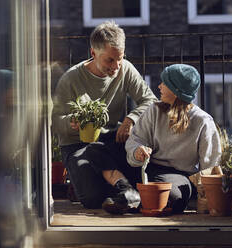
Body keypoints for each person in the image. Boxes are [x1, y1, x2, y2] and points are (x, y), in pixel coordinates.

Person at [52, 21, 157, 214]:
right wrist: (72, 122)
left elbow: (150, 100)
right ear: (93, 53)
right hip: (77, 145)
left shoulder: (125, 68)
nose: (117, 66)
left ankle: (117, 187)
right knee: (91, 199)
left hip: (110, 140)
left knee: (144, 167)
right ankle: (110, 187)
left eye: (120, 58)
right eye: (110, 60)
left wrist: (131, 118)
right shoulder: (70, 79)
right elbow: (55, 122)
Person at [125, 64, 222, 214]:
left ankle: (133, 200)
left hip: (178, 176)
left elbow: (210, 165)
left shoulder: (202, 121)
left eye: (164, 83)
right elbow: (136, 139)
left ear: (176, 91)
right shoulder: (154, 110)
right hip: (145, 168)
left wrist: (207, 197)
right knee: (102, 153)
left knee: (174, 197)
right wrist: (137, 150)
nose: (159, 86)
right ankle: (133, 198)